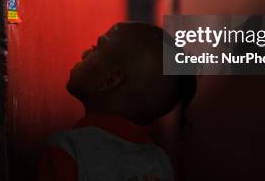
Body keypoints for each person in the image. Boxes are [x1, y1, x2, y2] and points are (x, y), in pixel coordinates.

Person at [38, 21, 197, 181]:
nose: (84, 53)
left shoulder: (68, 149)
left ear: (110, 80)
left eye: (95, 48)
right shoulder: (161, 164)